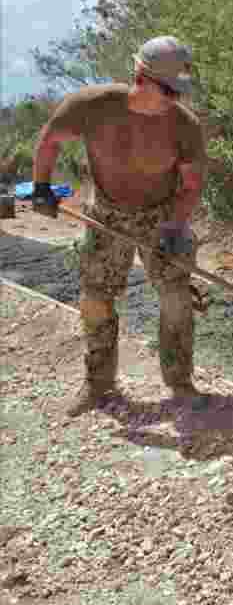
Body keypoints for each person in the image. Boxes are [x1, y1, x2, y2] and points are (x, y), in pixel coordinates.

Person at [30, 36, 206, 416]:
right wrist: (42, 186)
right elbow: (49, 140)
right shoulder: (92, 106)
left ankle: (180, 381)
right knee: (96, 297)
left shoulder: (184, 126)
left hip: (162, 214)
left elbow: (191, 186)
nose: (176, 99)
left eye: (180, 92)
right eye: (169, 91)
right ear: (141, 77)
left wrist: (174, 226)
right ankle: (99, 383)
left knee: (176, 297)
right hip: (106, 211)